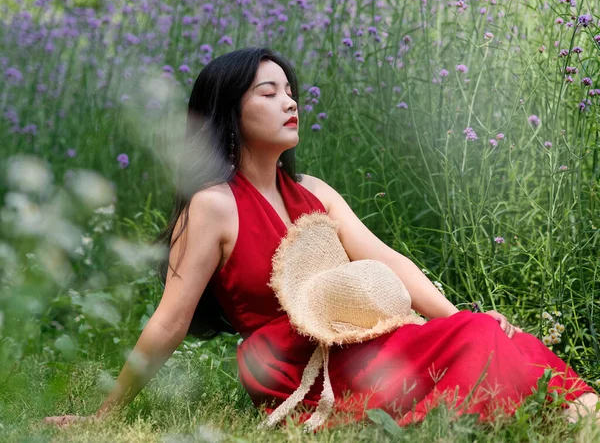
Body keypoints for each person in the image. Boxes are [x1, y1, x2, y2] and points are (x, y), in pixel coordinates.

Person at [45, 47, 598, 429]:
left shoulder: (315, 191)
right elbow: (170, 319)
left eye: (290, 91)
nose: (290, 102)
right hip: (287, 357)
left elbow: (390, 262)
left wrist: (449, 316)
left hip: (358, 338)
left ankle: (581, 418)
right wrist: (108, 413)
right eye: (269, 92)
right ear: (229, 113)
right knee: (478, 341)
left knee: (489, 334)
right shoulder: (213, 204)